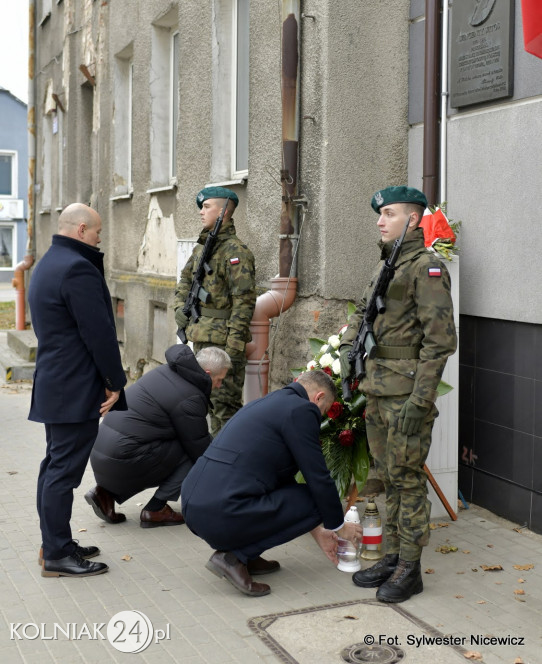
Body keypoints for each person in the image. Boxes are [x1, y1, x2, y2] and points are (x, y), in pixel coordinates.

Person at [339, 186, 457, 603]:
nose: (379, 220)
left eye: (388, 213)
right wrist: (345, 353)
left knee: (407, 481)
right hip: (377, 390)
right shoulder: (386, 266)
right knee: (387, 477)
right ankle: (392, 555)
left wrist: (421, 400)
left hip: (406, 395)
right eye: (380, 214)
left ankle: (410, 566)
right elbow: (363, 315)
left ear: (412, 219)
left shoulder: (425, 267)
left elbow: (440, 341)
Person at [180, 369, 363, 597]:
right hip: (222, 510)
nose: (321, 418)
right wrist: (339, 527)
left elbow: (279, 477)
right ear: (318, 398)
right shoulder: (302, 410)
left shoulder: (270, 402)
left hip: (194, 502)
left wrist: (317, 529)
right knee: (313, 498)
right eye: (324, 411)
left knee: (301, 496)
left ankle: (248, 555)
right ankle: (233, 558)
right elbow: (318, 476)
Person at [28, 203, 127, 578]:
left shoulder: (50, 261)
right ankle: (56, 553)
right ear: (82, 229)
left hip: (57, 382)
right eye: (98, 232)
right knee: (62, 474)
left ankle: (56, 543)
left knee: (54, 467)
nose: (100, 238)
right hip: (74, 388)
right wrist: (114, 383)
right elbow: (98, 334)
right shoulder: (77, 268)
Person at [85, 345, 231, 527]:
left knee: (178, 442)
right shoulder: (190, 396)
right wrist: (228, 477)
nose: (219, 385)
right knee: (191, 453)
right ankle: (156, 509)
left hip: (103, 457)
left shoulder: (168, 370)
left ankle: (104, 494)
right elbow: (199, 447)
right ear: (207, 372)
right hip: (121, 459)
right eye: (219, 380)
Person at [174, 186, 256, 435]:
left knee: (226, 409)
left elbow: (244, 302)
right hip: (201, 339)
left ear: (223, 212)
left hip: (224, 344)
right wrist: (180, 308)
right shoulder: (202, 249)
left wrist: (232, 350)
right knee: (205, 405)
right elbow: (185, 281)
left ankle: (228, 463)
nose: (201, 212)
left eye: (206, 207)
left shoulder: (236, 252)